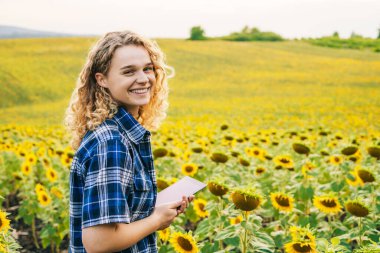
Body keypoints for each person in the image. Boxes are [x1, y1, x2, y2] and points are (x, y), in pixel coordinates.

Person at [65, 30, 193, 253]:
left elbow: (122, 214)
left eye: (148, 68)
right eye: (128, 71)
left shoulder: (119, 134)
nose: (143, 79)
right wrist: (157, 220)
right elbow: (99, 243)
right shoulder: (112, 143)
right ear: (101, 79)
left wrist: (158, 208)